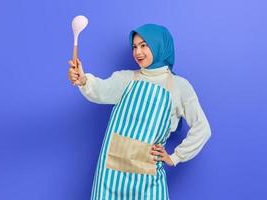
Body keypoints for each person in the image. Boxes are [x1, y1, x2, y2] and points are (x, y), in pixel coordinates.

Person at [68, 24, 211, 200]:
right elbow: (100, 90)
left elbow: (202, 128)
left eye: (144, 45)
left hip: (148, 181)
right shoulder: (126, 78)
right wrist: (82, 80)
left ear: (159, 45)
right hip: (110, 178)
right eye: (134, 47)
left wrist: (175, 157)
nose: (138, 52)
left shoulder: (179, 86)